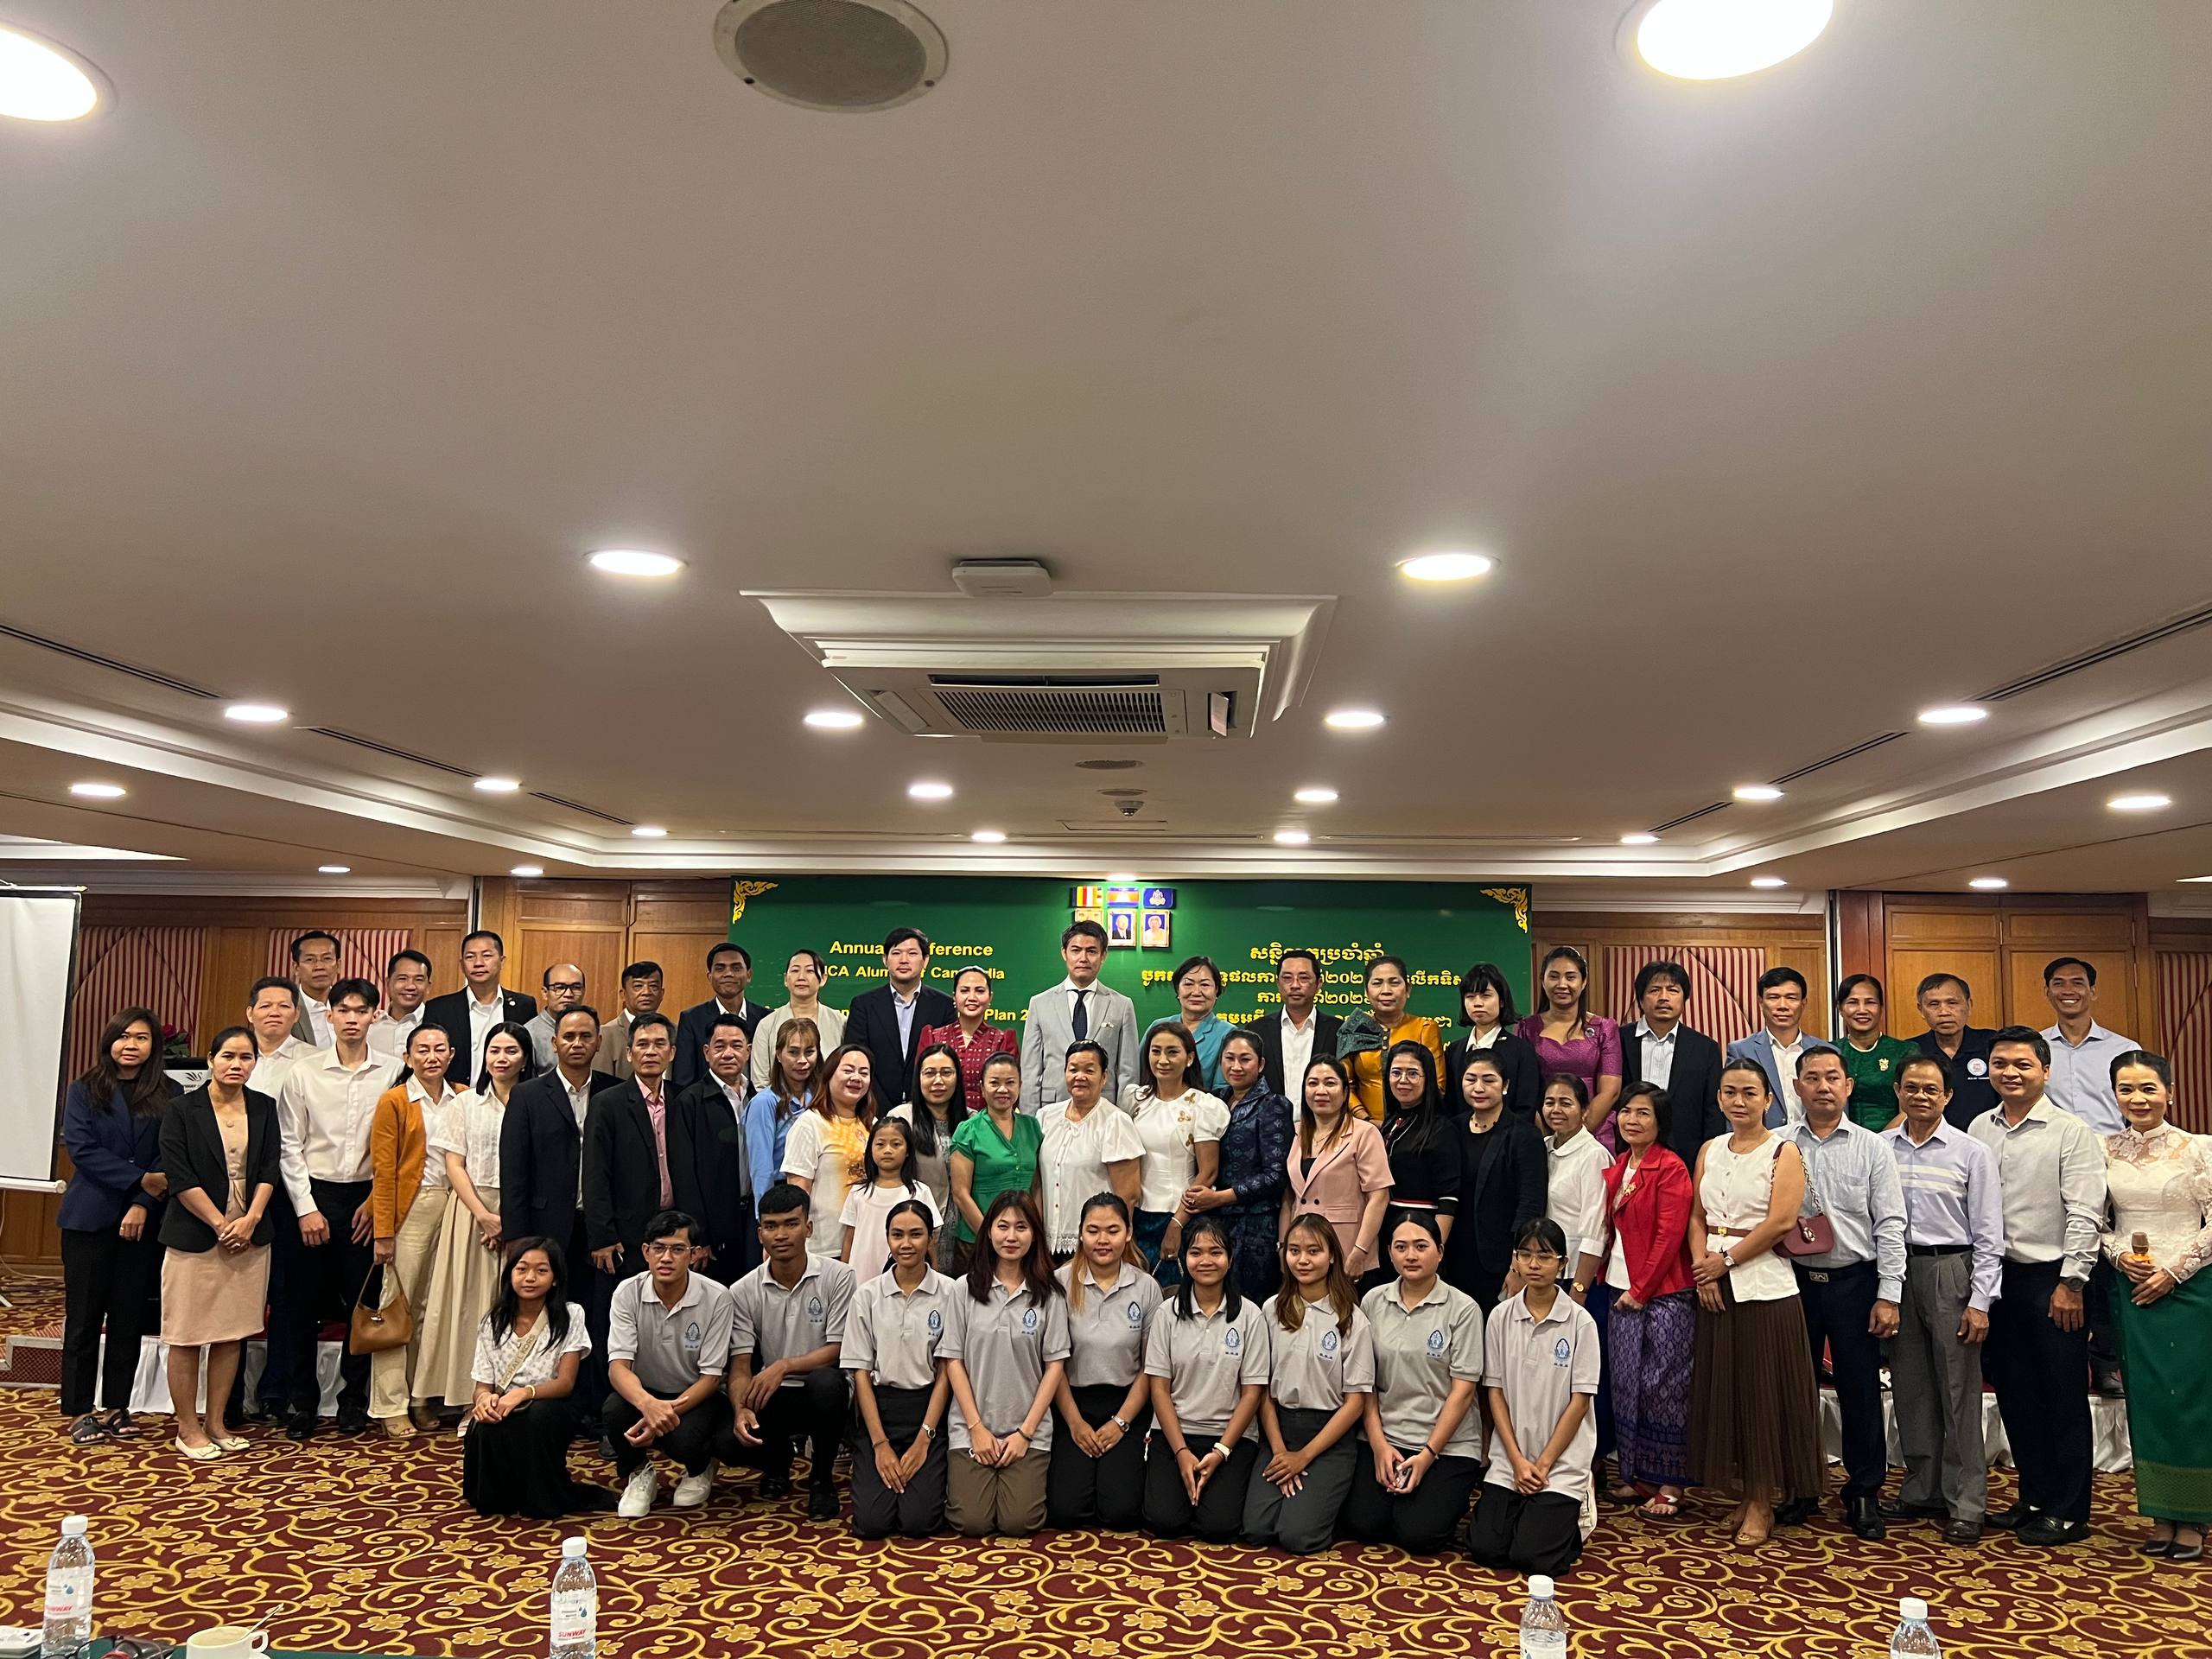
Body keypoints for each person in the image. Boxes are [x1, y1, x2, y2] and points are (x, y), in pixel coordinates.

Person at [1969, 1026, 2106, 1548]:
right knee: (2015, 1392)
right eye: (2000, 1063)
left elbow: (2086, 1212)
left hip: (2053, 1279)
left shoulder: (2072, 1131)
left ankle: (2069, 1510)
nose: (2010, 1073)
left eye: (2022, 1064)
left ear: (2045, 1071)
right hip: (1997, 1278)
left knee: (2062, 1395)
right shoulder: (1980, 1127)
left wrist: (2072, 1282)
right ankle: (2033, 1496)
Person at [1687, 1058, 1822, 1549]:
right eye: (1730, 1092)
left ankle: (1765, 1500)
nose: (1739, 1102)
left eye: (1749, 1093)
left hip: (1765, 1286)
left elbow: (1781, 1221)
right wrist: (1702, 1268)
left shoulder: (1783, 1150)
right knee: (1730, 1392)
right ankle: (1745, 1494)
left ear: (1768, 1099)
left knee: (1764, 1395)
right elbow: (1697, 1216)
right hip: (1714, 1282)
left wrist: (1725, 1263)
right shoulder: (1710, 1148)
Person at [1779, 1044, 1907, 1539]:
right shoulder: (1779, 1145)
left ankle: (1864, 1491)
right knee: (1795, 1390)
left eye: (1833, 1077)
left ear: (1848, 1086)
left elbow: (1890, 1224)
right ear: (1797, 1087)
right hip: (1793, 1284)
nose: (1823, 1087)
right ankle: (1800, 1485)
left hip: (1855, 1282)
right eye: (1812, 1078)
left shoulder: (1873, 1147)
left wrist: (1889, 1294)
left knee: (1860, 1391)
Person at [1880, 1053, 2002, 1545]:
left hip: (1951, 1269)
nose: (1921, 1096)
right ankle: (1921, 1488)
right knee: (1910, 1385)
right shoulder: (1880, 1147)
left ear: (1948, 1096)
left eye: (1931, 1089)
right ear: (1897, 1091)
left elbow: (1989, 1234)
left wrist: (1980, 1301)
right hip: (1896, 1270)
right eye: (1911, 1087)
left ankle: (1967, 1502)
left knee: (1958, 1390)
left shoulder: (1971, 1152)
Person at [274, 976, 399, 1438]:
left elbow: (398, 1145)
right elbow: (289, 1145)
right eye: (343, 1010)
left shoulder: (393, 1072)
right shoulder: (303, 1073)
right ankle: (302, 1402)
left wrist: (375, 1198)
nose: (351, 1019)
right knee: (301, 1305)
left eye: (361, 1011)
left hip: (367, 1198)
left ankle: (352, 1400)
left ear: (374, 1016)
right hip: (312, 1194)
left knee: (362, 1305)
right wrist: (306, 1208)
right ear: (329, 1016)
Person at [2101, 1050, 2212, 1562]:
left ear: (2170, 1092)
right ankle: (2161, 1512)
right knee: (2147, 1401)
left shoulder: (2199, 1148)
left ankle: (2195, 1516)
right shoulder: (2103, 1150)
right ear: (2114, 1095)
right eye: (2126, 1089)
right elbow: (2096, 1222)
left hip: (2191, 1288)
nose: (2138, 1099)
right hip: (2132, 1285)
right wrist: (2118, 1255)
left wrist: (2174, 1272)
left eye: (2148, 1088)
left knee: (2189, 1399)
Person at [158, 1027, 280, 1460]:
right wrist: (220, 1224)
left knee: (231, 1334)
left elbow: (270, 1168)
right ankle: (187, 1427)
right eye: (228, 1056)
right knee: (186, 1334)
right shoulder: (181, 1109)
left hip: (249, 1235)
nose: (236, 1065)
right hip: (196, 1235)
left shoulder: (264, 1107)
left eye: (246, 1058)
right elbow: (179, 1176)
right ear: (210, 1059)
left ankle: (216, 1423)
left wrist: (251, 1220)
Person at [59, 1007, 172, 1443]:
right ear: (109, 1041)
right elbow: (82, 1150)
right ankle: (79, 1409)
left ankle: (117, 1406)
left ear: (153, 1046)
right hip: (89, 1218)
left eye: (141, 1038)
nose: (131, 1045)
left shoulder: (169, 1092)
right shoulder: (84, 1089)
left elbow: (168, 1153)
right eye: (123, 1036)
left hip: (144, 1220)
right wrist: (139, 1180)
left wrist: (143, 1201)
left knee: (129, 1318)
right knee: (84, 1318)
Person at [500, 1005, 620, 1408]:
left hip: (601, 1226)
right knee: (551, 1317)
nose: (577, 1043)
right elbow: (514, 1170)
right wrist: (518, 1237)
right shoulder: (528, 1095)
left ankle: (595, 1405)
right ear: (554, 1043)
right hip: (545, 1227)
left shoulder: (615, 1091)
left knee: (599, 1316)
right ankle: (550, 1405)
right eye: (569, 1036)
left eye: (586, 1036)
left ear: (598, 1043)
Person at [1469, 1217, 1601, 1577]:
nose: (1534, 1264)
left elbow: (1580, 1403)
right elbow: (1495, 1392)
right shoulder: (1500, 1317)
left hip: (1559, 1462)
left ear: (1563, 1264)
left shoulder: (1580, 1323)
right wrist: (1515, 1459)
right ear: (1515, 1259)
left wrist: (1543, 1465)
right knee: (1485, 1548)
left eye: (1544, 1256)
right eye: (1525, 1255)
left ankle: (1578, 1508)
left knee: (1534, 1558)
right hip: (1511, 1458)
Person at [1346, 1214, 1485, 1554]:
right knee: (1363, 1525)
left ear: (1440, 1252)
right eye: (1401, 1247)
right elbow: (1366, 1384)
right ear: (1389, 1253)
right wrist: (1378, 1445)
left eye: (1421, 1247)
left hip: (1446, 1444)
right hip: (1387, 1436)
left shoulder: (1463, 1309)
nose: (1411, 1255)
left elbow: (1463, 1392)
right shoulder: (1373, 1301)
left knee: (1419, 1536)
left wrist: (1427, 1455)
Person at [1241, 1214, 1374, 1554]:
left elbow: (1356, 1403)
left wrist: (1303, 1457)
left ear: (1332, 1257)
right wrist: (1281, 1451)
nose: (1303, 1260)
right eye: (1294, 1250)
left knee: (1297, 1536)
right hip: (1279, 1431)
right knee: (1256, 1529)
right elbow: (1262, 1392)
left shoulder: (1351, 1318)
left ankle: (1325, 1502)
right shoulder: (1271, 1310)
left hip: (1328, 1437)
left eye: (1314, 1251)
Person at [721, 1184, 855, 1521]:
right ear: (760, 1234)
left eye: (791, 1224)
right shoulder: (743, 1290)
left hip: (822, 1388)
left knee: (826, 1384)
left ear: (808, 1228)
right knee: (725, 1439)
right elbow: (740, 1365)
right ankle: (776, 1464)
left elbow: (838, 1349)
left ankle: (821, 1479)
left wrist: (784, 1365)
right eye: (771, 1226)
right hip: (773, 1392)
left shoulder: (839, 1276)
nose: (780, 1235)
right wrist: (740, 1409)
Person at [415, 1021, 531, 1411]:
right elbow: (454, 1164)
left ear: (525, 1058)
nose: (502, 1058)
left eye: (511, 1051)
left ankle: (506, 1396)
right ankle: (466, 1399)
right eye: (494, 1050)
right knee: (465, 1306)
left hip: (520, 1215)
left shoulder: (536, 1101)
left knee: (509, 1305)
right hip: (470, 1212)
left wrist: (510, 1219)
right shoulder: (465, 1103)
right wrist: (484, 1216)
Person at [942, 1190, 1070, 1535]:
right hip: (972, 1427)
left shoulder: (1050, 1294)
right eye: (1002, 1226)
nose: (1011, 1236)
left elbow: (1054, 1367)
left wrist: (1025, 1434)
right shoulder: (964, 1289)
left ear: (1035, 1235)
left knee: (1019, 1522)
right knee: (972, 1522)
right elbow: (953, 1361)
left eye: (1021, 1227)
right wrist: (976, 1428)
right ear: (988, 1232)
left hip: (1027, 1430)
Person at [1598, 1083, 1695, 1520]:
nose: (1631, 1120)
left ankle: (1671, 1482)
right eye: (1626, 1111)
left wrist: (1641, 1290)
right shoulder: (1621, 1164)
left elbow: (1669, 1237)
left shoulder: (1671, 1168)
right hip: (1619, 1288)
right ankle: (1638, 1476)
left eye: (1643, 1113)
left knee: (1665, 1389)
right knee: (1626, 1386)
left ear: (1660, 1122)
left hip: (1664, 1295)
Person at [461, 1238, 613, 1518]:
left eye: (541, 1270)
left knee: (537, 1417)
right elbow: (482, 1386)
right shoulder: (492, 1321)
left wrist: (523, 1393)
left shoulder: (571, 1314)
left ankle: (542, 1496)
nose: (530, 1278)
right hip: (506, 1400)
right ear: (510, 1274)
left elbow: (565, 1383)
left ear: (555, 1278)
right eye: (522, 1269)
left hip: (552, 1399)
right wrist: (483, 1401)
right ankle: (499, 1495)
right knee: (486, 1423)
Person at [1141, 1214, 1271, 1541]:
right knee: (1164, 1522)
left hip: (1230, 1437)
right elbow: (1159, 1390)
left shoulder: (1251, 1316)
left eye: (1216, 1252)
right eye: (1196, 1252)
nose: (1206, 1261)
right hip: (1176, 1433)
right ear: (1184, 1258)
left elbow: (1252, 1394)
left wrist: (1221, 1451)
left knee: (1219, 1527)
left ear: (1230, 1258)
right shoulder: (1167, 1314)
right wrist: (1181, 1452)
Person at [2043, 957, 2137, 1397]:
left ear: (2093, 991)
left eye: (2077, 983)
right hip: (2051, 1169)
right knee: (2058, 1261)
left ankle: (2106, 1361)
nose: (2068, 990)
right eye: (2059, 983)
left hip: (2111, 1168)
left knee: (2106, 1267)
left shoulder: (2123, 1049)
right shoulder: (2037, 1049)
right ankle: (2061, 1359)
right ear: (2047, 992)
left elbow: (2135, 1112)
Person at [367, 1023, 467, 1438]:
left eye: (439, 1048)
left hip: (457, 1205)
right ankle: (390, 1402)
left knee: (435, 1306)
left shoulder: (464, 1096)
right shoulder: (395, 1100)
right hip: (412, 1207)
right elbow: (383, 1170)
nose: (431, 1057)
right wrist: (383, 1232)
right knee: (399, 1305)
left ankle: (422, 1396)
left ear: (451, 1054)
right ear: (408, 1057)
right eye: (422, 1050)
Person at [604, 1210, 735, 1518]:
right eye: (659, 1248)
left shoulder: (717, 1297)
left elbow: (711, 1377)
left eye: (677, 1249)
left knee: (684, 1439)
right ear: (646, 1252)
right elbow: (618, 1367)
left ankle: (700, 1467)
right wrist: (648, 1405)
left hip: (695, 1395)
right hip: (646, 1392)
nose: (666, 1258)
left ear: (694, 1254)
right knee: (613, 1411)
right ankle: (639, 1472)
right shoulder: (627, 1292)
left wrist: (664, 1413)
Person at [843, 1198, 954, 1538]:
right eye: (897, 1235)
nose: (906, 1244)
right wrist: (879, 1444)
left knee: (917, 1523)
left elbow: (947, 1372)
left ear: (931, 1239)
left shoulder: (951, 1292)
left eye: (916, 1234)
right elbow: (861, 1374)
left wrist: (924, 1438)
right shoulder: (867, 1296)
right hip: (880, 1410)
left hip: (929, 1411)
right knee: (872, 1524)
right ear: (888, 1238)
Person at [1048, 1194, 1160, 1529]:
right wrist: (1075, 1423)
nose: (1102, 1240)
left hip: (1127, 1403)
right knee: (1066, 1512)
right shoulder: (1059, 1283)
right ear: (1080, 1233)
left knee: (1121, 1513)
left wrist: (1121, 1423)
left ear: (1128, 1233)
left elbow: (1150, 1367)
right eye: (1093, 1230)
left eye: (1112, 1231)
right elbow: (1054, 1363)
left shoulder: (1146, 1287)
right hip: (1072, 1403)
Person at [583, 1013, 709, 1294]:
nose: (651, 1051)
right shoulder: (607, 1103)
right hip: (625, 1237)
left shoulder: (685, 1099)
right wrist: (602, 1236)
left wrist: (699, 1235)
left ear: (672, 1053)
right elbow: (595, 1174)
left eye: (659, 1044)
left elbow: (695, 1172)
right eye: (642, 1044)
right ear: (629, 1053)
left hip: (677, 1231)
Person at [1183, 1030, 1294, 1301]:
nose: (1236, 1066)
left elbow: (1276, 1176)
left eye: (1245, 1059)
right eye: (1229, 1058)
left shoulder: (1273, 1105)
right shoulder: (1214, 1100)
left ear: (1261, 1064)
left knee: (1249, 1304)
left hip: (1256, 1226)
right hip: (1214, 1223)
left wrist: (1219, 1198)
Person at [1444, 1052, 1548, 1316]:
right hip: (1452, 1258)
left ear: (1505, 1085)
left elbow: (1530, 1205)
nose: (1478, 1088)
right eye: (1471, 1079)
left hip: (1498, 1262)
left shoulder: (1524, 1135)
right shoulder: (1451, 1130)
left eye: (1488, 1080)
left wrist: (1518, 1265)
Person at [1127, 1022, 1228, 1273]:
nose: (1163, 1060)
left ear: (1189, 1058)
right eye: (1156, 1051)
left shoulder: (1203, 1105)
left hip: (1180, 1215)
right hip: (1137, 1216)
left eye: (1172, 1052)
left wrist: (1177, 1223)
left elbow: (1208, 1172)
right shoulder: (1135, 1100)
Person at [1282, 1055, 1392, 1281]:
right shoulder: (1294, 1132)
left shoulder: (1364, 1133)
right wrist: (1284, 1247)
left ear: (1345, 1091)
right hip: (1302, 1252)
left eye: (1330, 1083)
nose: (1320, 1090)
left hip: (1346, 1250)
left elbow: (1379, 1197)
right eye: (1313, 1083)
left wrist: (1360, 1251)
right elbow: (1288, 1199)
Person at [1037, 1043, 1144, 1258]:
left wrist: (1113, 1242)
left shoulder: (1116, 1122)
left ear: (1104, 1077)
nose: (1080, 1077)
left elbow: (1128, 1195)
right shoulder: (1045, 1117)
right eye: (1073, 1069)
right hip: (1046, 1243)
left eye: (1089, 1070)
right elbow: (1038, 1182)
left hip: (1096, 1245)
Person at [1020, 922, 1140, 1113]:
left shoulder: (1122, 1005)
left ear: (1103, 955)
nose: (1083, 958)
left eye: (1091, 951)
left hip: (1104, 1111)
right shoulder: (1039, 1003)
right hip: (1051, 1110)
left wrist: (1123, 1118)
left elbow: (1129, 1072)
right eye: (1076, 950)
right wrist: (1030, 1122)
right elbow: (1030, 1071)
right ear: (1064, 953)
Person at [676, 1013, 757, 1284]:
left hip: (751, 1222)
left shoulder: (759, 1098)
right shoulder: (690, 1101)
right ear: (706, 1052)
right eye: (720, 1046)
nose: (728, 1053)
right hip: (712, 1230)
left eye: (736, 1046)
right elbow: (684, 1176)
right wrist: (698, 1236)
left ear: (749, 1051)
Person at [1618, 960, 1724, 1160]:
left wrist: (1708, 1159)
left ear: (1684, 999)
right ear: (1640, 1000)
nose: (1664, 997)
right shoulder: (1618, 1040)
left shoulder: (1705, 1048)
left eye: (1673, 990)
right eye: (1655, 990)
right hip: (1626, 1152)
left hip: (1686, 1154)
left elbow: (1713, 1110)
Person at [949, 1052, 1044, 1272]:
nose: (1003, 1090)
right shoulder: (968, 1130)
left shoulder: (1032, 1126)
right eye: (994, 1083)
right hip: (976, 1241)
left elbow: (1037, 1185)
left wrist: (1034, 1230)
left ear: (1020, 1086)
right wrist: (990, 1236)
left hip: (1022, 1243)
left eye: (1010, 1083)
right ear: (982, 1088)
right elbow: (960, 1194)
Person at [1373, 1040, 1459, 1283]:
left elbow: (1449, 1198)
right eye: (1396, 1073)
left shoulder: (1442, 1128)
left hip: (1422, 1234)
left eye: (1412, 1073)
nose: (1403, 1080)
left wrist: (1434, 1249)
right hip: (1387, 1233)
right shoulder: (1391, 1122)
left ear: (1427, 1078)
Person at [785, 1044, 880, 1258]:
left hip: (866, 1243)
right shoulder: (810, 1124)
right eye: (848, 1070)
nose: (856, 1078)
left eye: (864, 1073)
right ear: (828, 1075)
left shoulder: (873, 1125)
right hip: (824, 1246)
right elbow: (798, 1190)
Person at [843, 927, 956, 1108]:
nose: (904, 960)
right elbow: (856, 1058)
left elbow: (946, 1061)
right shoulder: (863, 1005)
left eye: (912, 953)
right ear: (885, 959)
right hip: (873, 1108)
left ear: (925, 960)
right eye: (896, 953)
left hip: (927, 1107)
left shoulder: (944, 1006)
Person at [422, 931, 537, 1093]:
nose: (478, 963)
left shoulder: (524, 1006)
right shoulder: (439, 1009)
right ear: (462, 964)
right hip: (455, 1097)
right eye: (470, 957)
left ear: (502, 961)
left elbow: (529, 1057)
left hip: (510, 1097)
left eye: (487, 956)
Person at [1341, 956, 1446, 1124]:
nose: (1386, 990)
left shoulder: (1425, 1028)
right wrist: (1366, 1120)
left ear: (1408, 989)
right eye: (1377, 983)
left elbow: (1437, 1087)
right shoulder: (1353, 1029)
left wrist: (1405, 1125)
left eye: (1394, 983)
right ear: (1366, 991)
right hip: (1362, 1127)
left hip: (1415, 1127)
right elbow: (1344, 1086)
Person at [891, 1042, 969, 1258]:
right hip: (918, 1229)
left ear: (958, 1077)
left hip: (966, 1230)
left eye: (946, 1073)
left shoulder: (973, 1121)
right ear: (918, 1078)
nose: (938, 1081)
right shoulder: (901, 1118)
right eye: (930, 1073)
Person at [842, 1116, 941, 1284]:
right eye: (880, 1144)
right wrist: (844, 1278)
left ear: (908, 1150)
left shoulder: (920, 1192)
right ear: (870, 1149)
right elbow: (849, 1239)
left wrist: (935, 1279)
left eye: (896, 1144)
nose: (887, 1150)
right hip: (862, 1275)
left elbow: (930, 1243)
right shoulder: (858, 1192)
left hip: (907, 1277)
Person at [1442, 963, 1544, 1122]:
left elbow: (1526, 1107)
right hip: (1459, 1135)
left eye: (1486, 996)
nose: (1477, 1003)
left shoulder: (1521, 1051)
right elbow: (1448, 1106)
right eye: (1470, 996)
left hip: (1510, 1136)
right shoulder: (1453, 1051)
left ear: (1501, 1001)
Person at [1541, 1077, 1611, 1301]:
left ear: (1584, 1111)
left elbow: (1596, 1229)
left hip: (1579, 1275)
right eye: (1549, 1102)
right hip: (1543, 1269)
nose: (1556, 1110)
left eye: (1565, 1103)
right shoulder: (1543, 1147)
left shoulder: (1594, 1155)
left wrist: (1580, 1289)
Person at [744, 1015, 821, 1217]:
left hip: (819, 1197)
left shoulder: (821, 1099)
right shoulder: (764, 1103)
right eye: (793, 1052)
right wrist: (767, 1219)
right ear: (778, 1055)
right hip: (780, 1198)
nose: (802, 1061)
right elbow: (761, 1170)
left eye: (809, 1052)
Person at [1240, 950, 1342, 1099]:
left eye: (1304, 978)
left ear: (1319, 983)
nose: (1295, 985)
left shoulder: (1338, 1030)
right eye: (1287, 978)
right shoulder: (1257, 1030)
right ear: (1278, 983)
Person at [918, 965, 1020, 1109]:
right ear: (954, 996)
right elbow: (919, 1086)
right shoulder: (933, 1037)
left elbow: (1010, 1092)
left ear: (990, 997)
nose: (972, 998)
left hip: (987, 1121)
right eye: (964, 991)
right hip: (938, 1120)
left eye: (980, 991)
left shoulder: (1002, 1040)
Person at [1726, 966, 1815, 1129]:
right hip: (1761, 1143)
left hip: (1814, 1142)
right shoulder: (1741, 1051)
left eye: (1791, 998)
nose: (1782, 1006)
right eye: (1773, 997)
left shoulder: (1826, 1051)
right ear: (1761, 1002)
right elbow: (1733, 1107)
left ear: (1803, 1003)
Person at [1829, 974, 1918, 1134]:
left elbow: (1910, 1108)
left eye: (1870, 1002)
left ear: (1881, 1008)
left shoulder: (1905, 1051)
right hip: (1838, 1139)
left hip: (1893, 1141)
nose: (1862, 1010)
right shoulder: (1829, 1051)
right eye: (1852, 1002)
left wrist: (1878, 1142)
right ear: (1840, 1009)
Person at [673, 942, 769, 1089]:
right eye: (720, 968)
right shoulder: (691, 1019)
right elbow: (683, 1081)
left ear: (749, 975)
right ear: (710, 976)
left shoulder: (766, 1018)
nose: (728, 974)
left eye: (736, 968)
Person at [750, 950, 847, 1090]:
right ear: (785, 979)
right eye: (795, 970)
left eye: (810, 971)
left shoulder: (840, 1022)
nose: (801, 977)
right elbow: (760, 1082)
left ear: (823, 978)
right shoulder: (767, 1024)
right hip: (778, 1102)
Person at [1914, 973, 1998, 1129]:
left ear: (1969, 1005)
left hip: (1988, 1135)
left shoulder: (1993, 1043)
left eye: (1952, 1003)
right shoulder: (1912, 1050)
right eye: (1934, 1004)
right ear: (1921, 1010)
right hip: (1929, 1139)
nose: (1944, 1012)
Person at [1150, 955, 1232, 1093]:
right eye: (1188, 984)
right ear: (1178, 989)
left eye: (1205, 985)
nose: (1196, 992)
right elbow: (1140, 1072)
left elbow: (1223, 1091)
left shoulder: (1228, 1034)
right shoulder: (1158, 1027)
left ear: (1217, 990)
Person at [600, 960, 668, 1084]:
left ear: (662, 993)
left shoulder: (677, 1031)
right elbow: (601, 1084)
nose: (646, 992)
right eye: (638, 986)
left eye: (653, 986)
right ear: (623, 994)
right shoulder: (606, 1034)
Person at [244, 976, 312, 1090]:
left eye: (284, 1006)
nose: (274, 1013)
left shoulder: (314, 1059)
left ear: (296, 1014)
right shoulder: (230, 1058)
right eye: (265, 1006)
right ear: (250, 1014)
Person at [367, 949, 433, 1061]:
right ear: (388, 983)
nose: (410, 986)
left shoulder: (436, 1025)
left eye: (419, 980)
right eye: (402, 979)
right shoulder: (370, 1026)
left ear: (428, 987)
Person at [522, 963, 589, 1072]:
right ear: (545, 993)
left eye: (576, 988)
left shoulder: (593, 1031)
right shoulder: (529, 1034)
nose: (568, 994)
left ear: (584, 992)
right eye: (560, 988)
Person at [287, 931, 343, 1047]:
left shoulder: (350, 1005)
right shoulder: (287, 1007)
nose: (319, 967)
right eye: (310, 960)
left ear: (338, 965)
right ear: (296, 968)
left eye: (327, 958)